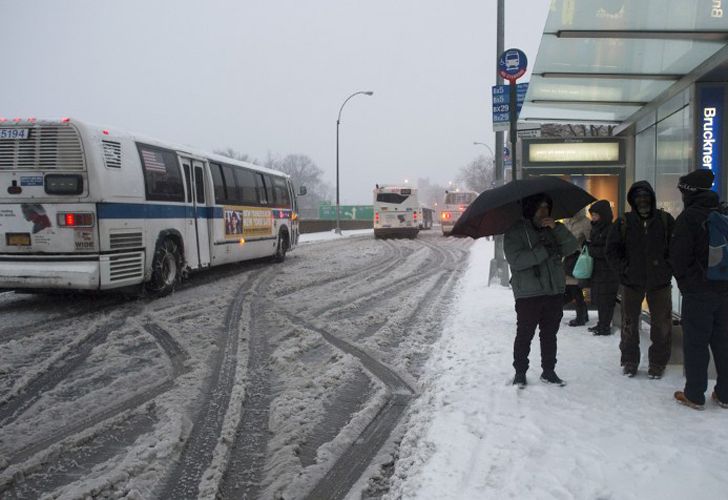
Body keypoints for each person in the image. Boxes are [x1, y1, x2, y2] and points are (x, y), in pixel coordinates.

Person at [504, 193, 578, 387]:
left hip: (553, 291)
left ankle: (549, 370)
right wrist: (543, 251)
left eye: (547, 207)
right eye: (540, 207)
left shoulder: (554, 228)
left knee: (549, 334)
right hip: (528, 293)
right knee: (525, 335)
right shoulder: (515, 232)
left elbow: (572, 246)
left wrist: (557, 229)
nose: (544, 211)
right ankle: (520, 372)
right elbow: (516, 260)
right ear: (530, 209)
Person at [669, 169, 728, 410]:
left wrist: (686, 284)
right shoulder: (722, 214)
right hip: (724, 290)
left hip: (698, 292)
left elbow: (679, 257)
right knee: (724, 342)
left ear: (689, 192)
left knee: (696, 343)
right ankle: (724, 394)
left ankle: (694, 394)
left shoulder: (689, 217)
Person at [606, 181, 675, 378]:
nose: (642, 201)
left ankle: (658, 362)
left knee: (661, 325)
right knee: (629, 324)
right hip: (631, 282)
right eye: (638, 198)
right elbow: (611, 251)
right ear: (632, 201)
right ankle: (629, 360)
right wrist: (624, 270)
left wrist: (666, 268)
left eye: (646, 197)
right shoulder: (623, 223)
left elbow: (676, 248)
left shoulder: (665, 220)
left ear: (652, 199)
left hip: (659, 283)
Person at [587, 200, 619, 336]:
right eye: (592, 215)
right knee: (600, 299)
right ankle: (601, 323)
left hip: (608, 272)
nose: (593, 218)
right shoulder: (596, 229)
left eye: (595, 215)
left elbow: (608, 251)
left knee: (606, 299)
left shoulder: (611, 229)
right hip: (598, 270)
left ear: (603, 215)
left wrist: (590, 249)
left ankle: (605, 326)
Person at [562, 208, 591, 327]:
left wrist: (580, 246)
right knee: (571, 287)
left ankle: (581, 316)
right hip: (565, 258)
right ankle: (583, 314)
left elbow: (590, 240)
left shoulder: (585, 222)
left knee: (574, 287)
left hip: (576, 259)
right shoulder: (566, 221)